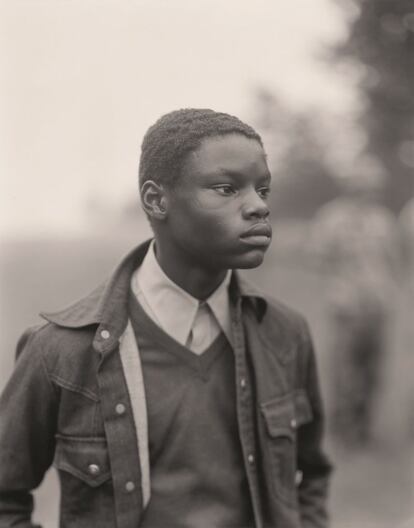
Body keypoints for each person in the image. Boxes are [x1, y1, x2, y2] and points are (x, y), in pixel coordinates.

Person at [0, 108, 332, 528]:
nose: (257, 208)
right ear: (156, 200)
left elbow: (311, 476)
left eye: (262, 190)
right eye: (227, 188)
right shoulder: (62, 349)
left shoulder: (285, 333)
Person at [311, 170, 398, 446]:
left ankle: (365, 428)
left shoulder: (383, 220)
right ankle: (343, 431)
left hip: (379, 304)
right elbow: (318, 256)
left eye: (371, 187)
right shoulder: (331, 218)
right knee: (346, 370)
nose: (367, 191)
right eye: (361, 186)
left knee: (373, 370)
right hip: (346, 305)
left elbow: (394, 260)